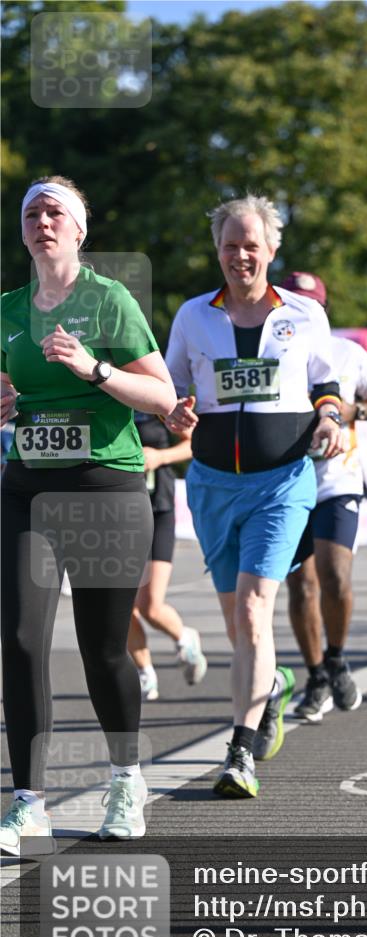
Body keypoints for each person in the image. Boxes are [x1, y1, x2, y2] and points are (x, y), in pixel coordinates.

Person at [0, 176, 176, 855]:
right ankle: (28, 803)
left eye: (55, 212)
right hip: (28, 488)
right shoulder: (10, 307)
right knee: (18, 640)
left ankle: (126, 782)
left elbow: (161, 395)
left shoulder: (109, 300)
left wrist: (93, 369)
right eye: (32, 212)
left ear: (78, 230)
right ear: (23, 230)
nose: (43, 221)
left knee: (104, 648)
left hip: (105, 485)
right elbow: (9, 384)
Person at [164, 195, 343, 799]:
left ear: (271, 249)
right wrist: (177, 411)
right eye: (229, 245)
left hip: (282, 480)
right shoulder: (193, 315)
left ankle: (239, 754)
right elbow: (172, 386)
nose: (239, 254)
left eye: (250, 244)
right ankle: (273, 682)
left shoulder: (304, 314)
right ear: (217, 250)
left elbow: (327, 383)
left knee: (251, 610)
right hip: (212, 483)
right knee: (241, 630)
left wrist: (331, 417)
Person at [281, 272, 367, 722]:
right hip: (288, 481)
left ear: (323, 310)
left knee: (335, 577)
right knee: (301, 584)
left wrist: (356, 411)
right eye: (293, 304)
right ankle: (315, 676)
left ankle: (336, 657)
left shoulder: (349, 354)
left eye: (310, 305)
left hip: (337, 481)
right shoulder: (272, 352)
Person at [129, 410, 208, 701]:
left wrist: (160, 457)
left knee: (150, 605)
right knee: (121, 606)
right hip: (116, 513)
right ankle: (144, 673)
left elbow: (194, 443)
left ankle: (184, 637)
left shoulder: (156, 401)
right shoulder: (103, 394)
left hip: (157, 510)